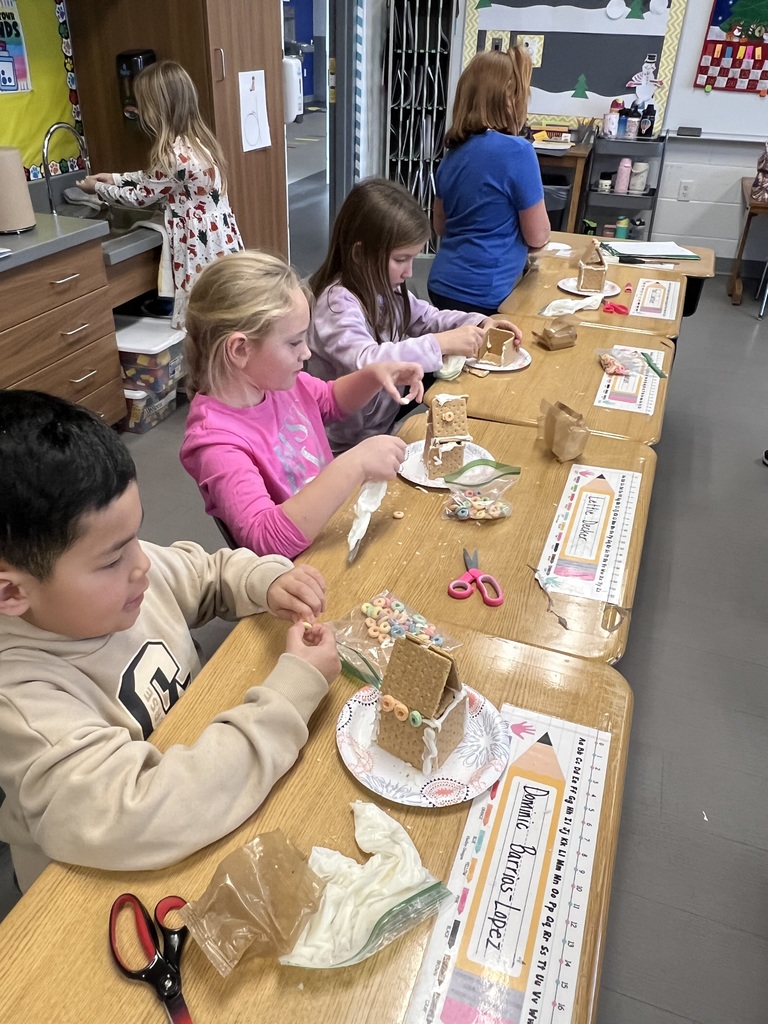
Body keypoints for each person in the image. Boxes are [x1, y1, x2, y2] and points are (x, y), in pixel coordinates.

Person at [0, 390, 340, 891]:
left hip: (205, 779)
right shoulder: (22, 700)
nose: (142, 563)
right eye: (112, 558)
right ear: (12, 591)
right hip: (102, 884)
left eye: (136, 535)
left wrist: (264, 581)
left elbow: (208, 572)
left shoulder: (127, 577)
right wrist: (289, 698)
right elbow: (142, 813)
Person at [180, 250, 424, 559]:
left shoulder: (280, 384)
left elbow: (329, 400)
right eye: (294, 342)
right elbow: (265, 539)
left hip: (330, 532)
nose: (306, 353)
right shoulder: (215, 442)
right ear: (240, 349)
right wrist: (355, 463)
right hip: (300, 573)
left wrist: (374, 375)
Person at [307, 178, 521, 453]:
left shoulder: (386, 288)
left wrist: (479, 322)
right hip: (339, 449)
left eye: (412, 259)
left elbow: (429, 317)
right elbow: (368, 363)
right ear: (360, 254)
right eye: (401, 259)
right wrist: (440, 344)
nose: (409, 272)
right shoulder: (336, 304)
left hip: (379, 430)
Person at [77, 60, 243, 329]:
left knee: (200, 316)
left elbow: (140, 197)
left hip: (197, 245)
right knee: (221, 310)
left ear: (157, 109)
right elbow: (154, 177)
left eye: (142, 104)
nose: (139, 112)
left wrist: (97, 189)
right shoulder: (198, 143)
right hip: (218, 239)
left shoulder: (174, 155)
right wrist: (117, 178)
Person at [427, 47, 551, 315]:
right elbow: (538, 236)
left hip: (442, 285)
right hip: (487, 294)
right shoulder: (518, 152)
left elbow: (440, 225)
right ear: (510, 99)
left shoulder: (452, 155)